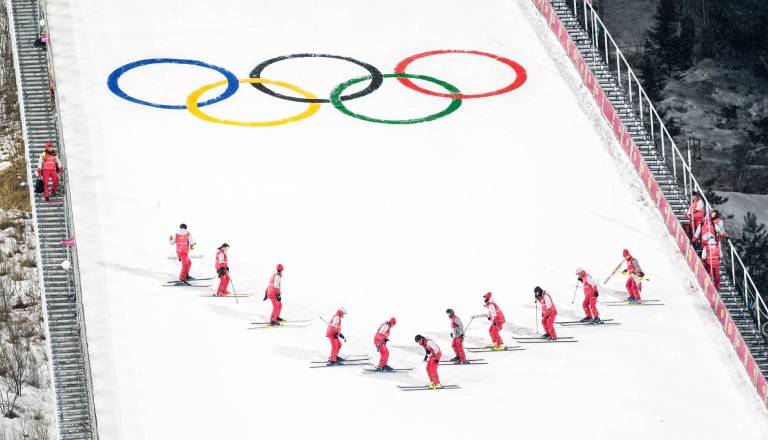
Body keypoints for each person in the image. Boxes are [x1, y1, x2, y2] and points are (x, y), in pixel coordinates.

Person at [699, 210, 727, 289]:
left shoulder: (717, 222)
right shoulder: (711, 223)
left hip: (710, 259)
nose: (712, 215)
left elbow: (720, 230)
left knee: (711, 273)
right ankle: (716, 285)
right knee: (716, 273)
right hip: (715, 260)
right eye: (711, 214)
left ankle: (712, 284)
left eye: (713, 214)